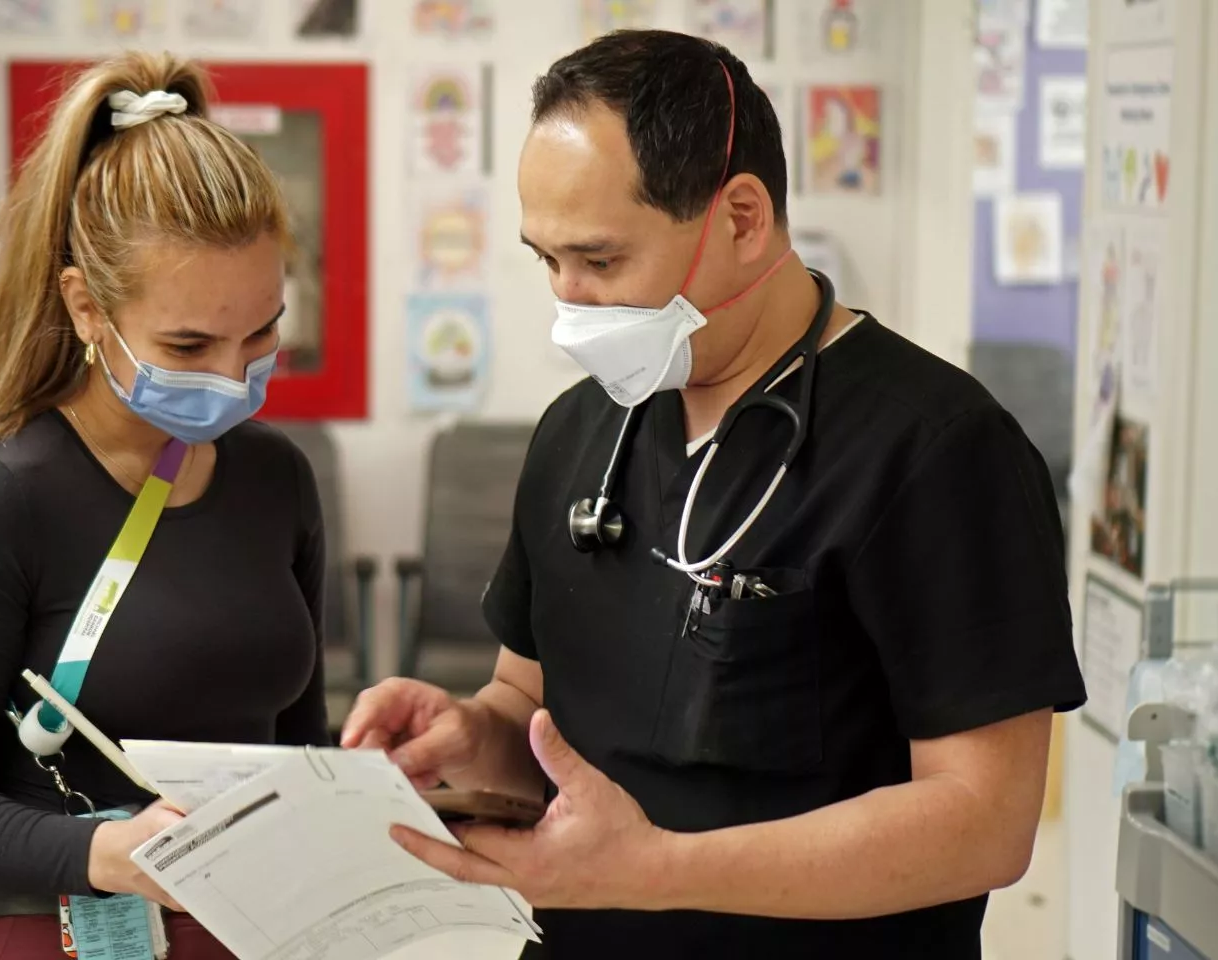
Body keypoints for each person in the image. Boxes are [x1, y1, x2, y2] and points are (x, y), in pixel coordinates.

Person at [343, 30, 1087, 958]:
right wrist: (469, 737)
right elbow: (525, 704)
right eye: (547, 260)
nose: (570, 304)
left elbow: (984, 823)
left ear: (741, 218)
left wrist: (655, 870)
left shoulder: (935, 449)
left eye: (601, 262)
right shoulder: (581, 430)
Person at [0, 52, 327, 960]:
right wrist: (105, 854)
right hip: (56, 933)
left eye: (261, 333)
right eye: (188, 345)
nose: (230, 375)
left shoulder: (276, 480)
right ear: (87, 308)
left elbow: (298, 744)